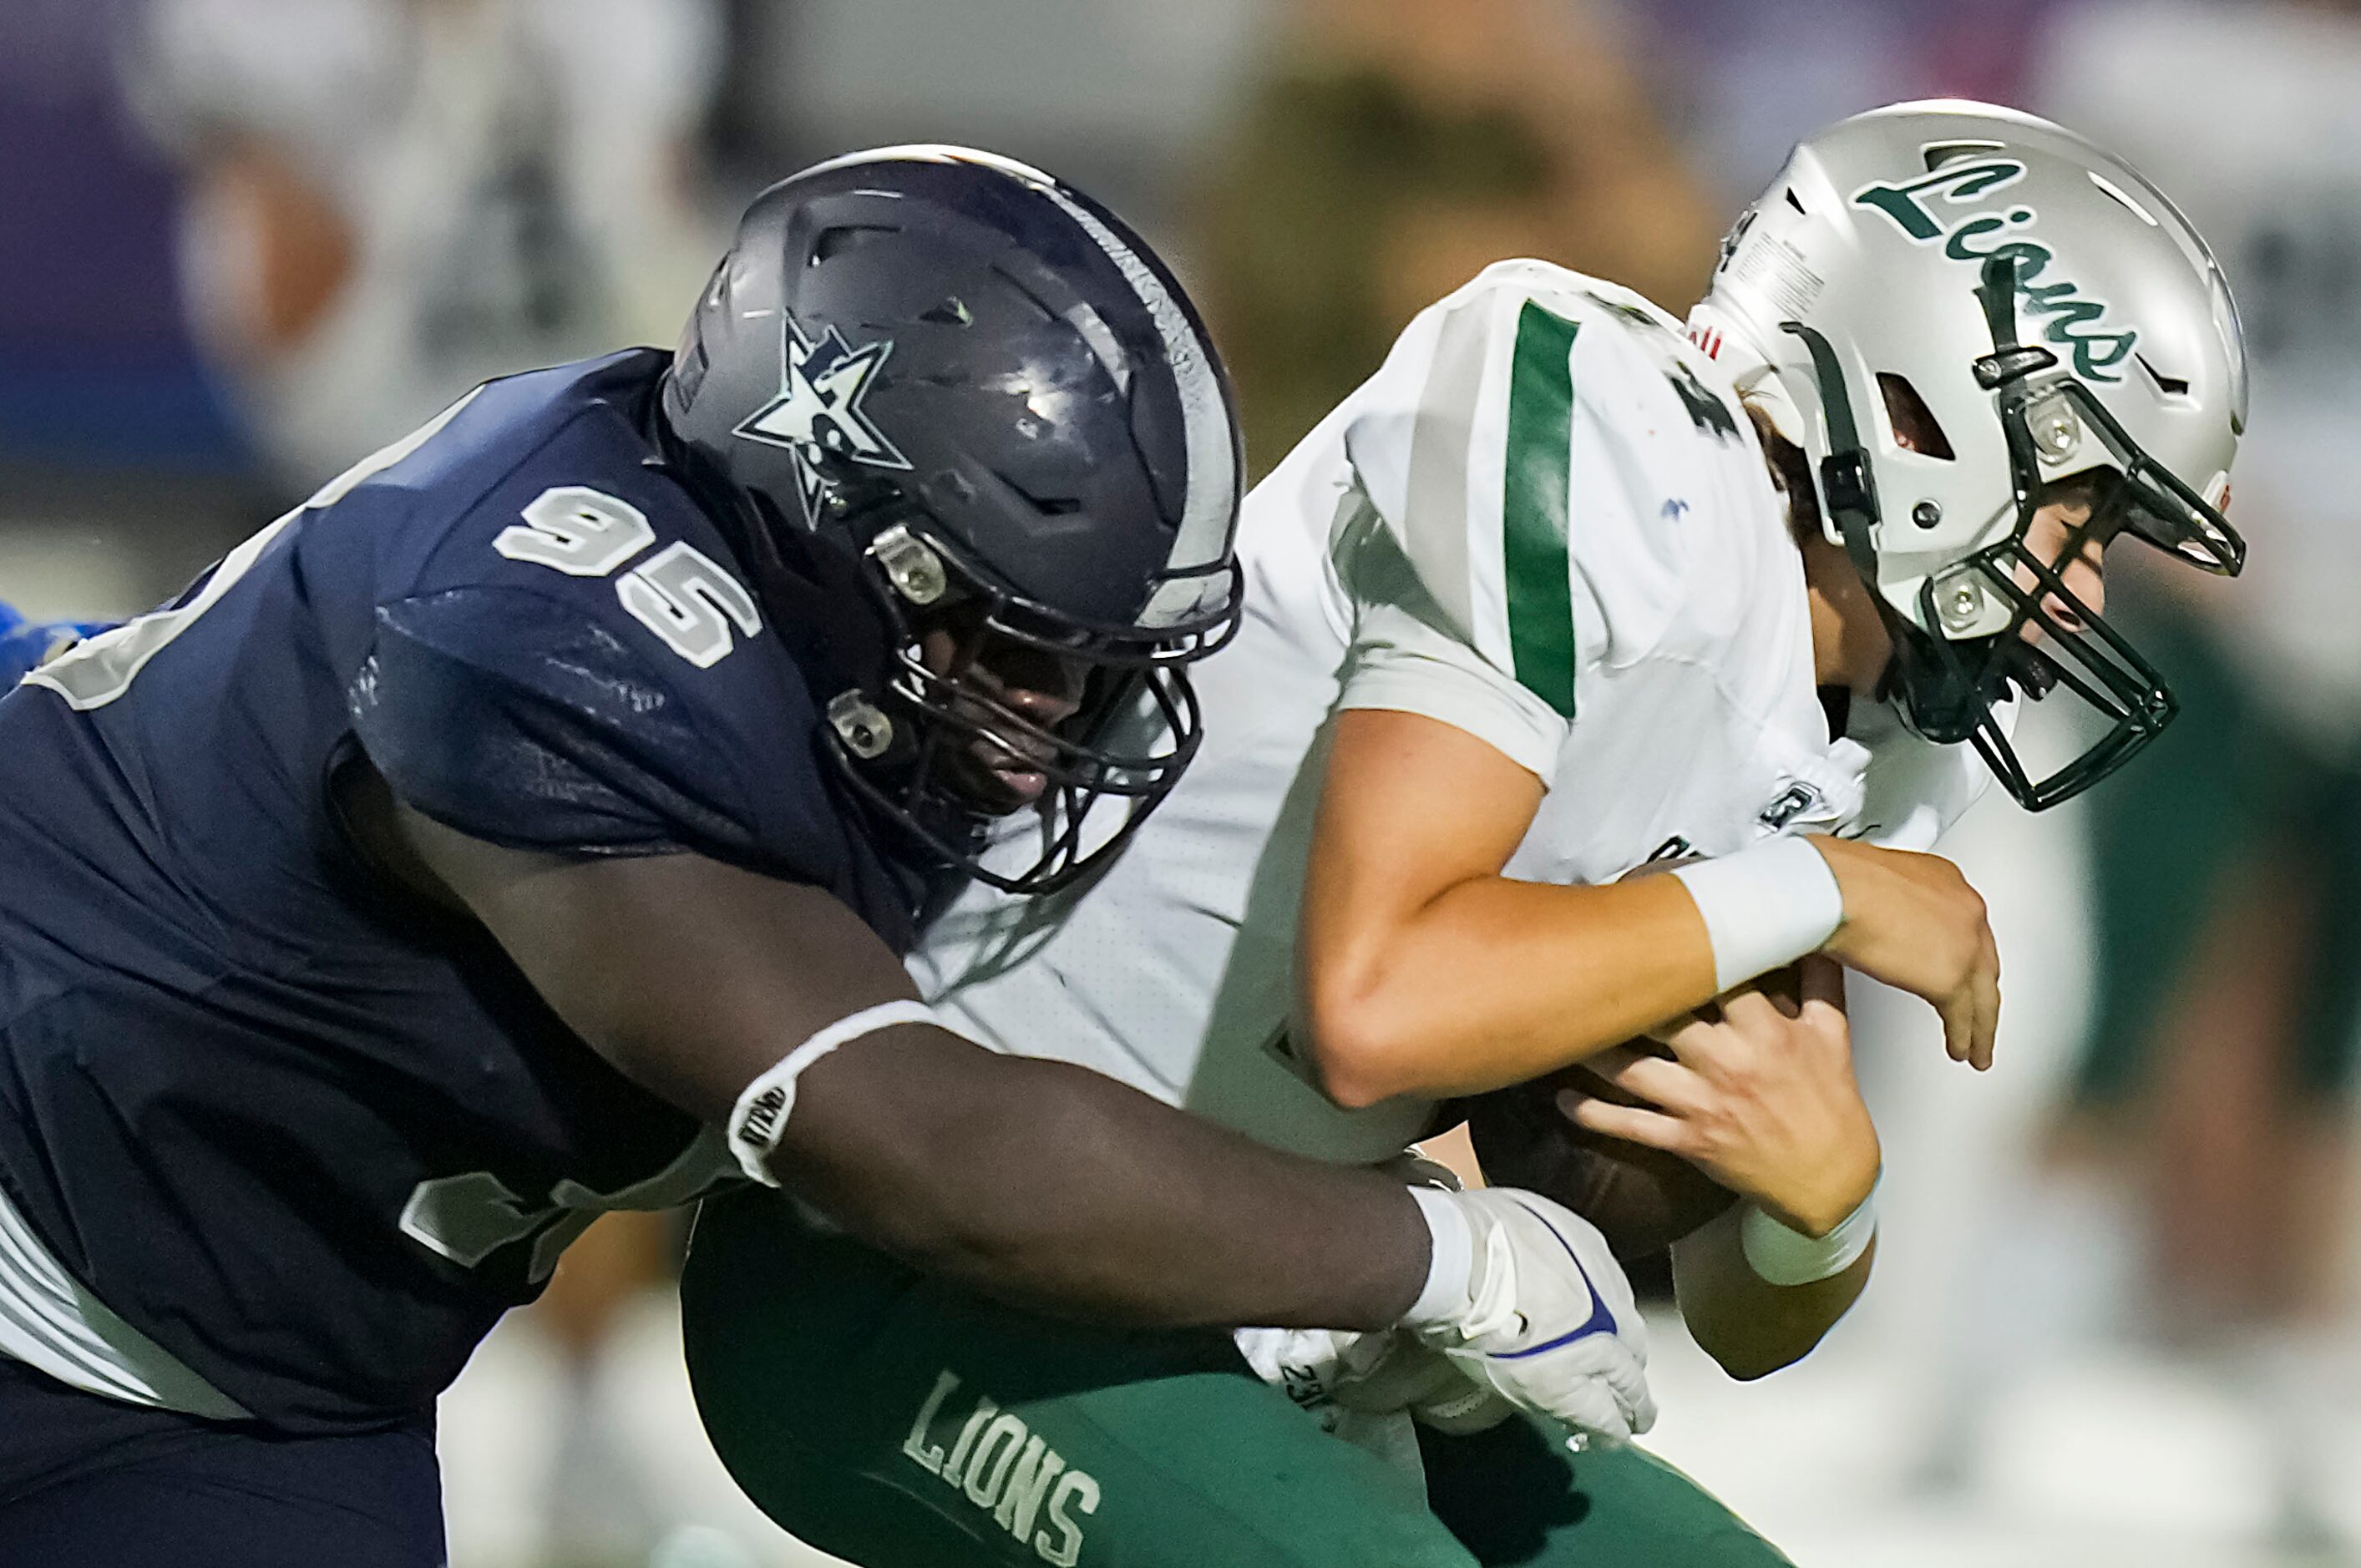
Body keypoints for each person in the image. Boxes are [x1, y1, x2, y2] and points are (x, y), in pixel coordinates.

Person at [0, 147, 1649, 1566]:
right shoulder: (552, 643)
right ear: (817, 534)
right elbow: (918, 1144)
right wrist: (1432, 1253)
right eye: (1005, 646)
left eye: (1091, 660)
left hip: (245, 1384)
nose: (1053, 723)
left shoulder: (856, 682)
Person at [683, 100, 2252, 1567]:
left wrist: (1827, 1205)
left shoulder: (1879, 724)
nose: (2091, 591)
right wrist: (1819, 888)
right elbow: (1382, 1009)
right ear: (1924, 411)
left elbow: (1731, 1312)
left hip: (1285, 1296)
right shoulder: (1597, 419)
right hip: (930, 1244)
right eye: (2083, 513)